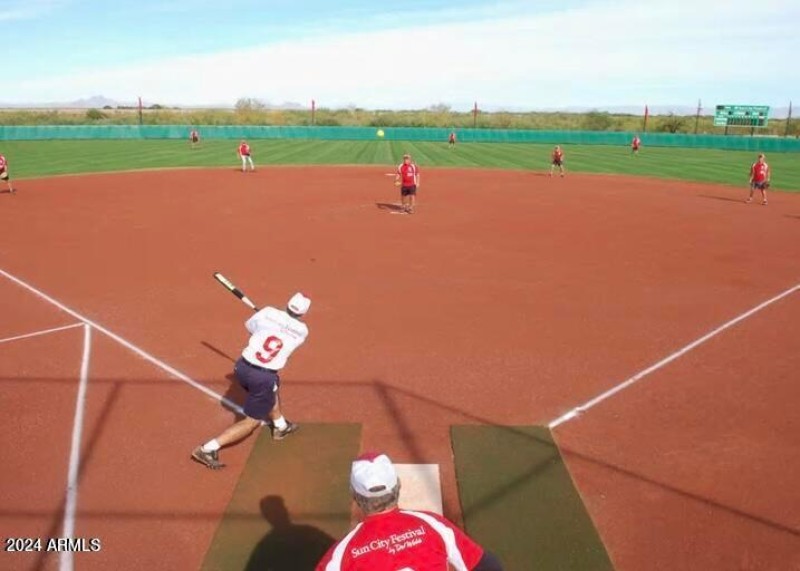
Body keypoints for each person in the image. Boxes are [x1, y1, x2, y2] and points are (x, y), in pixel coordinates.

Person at [316, 452, 504, 570]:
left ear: (354, 495)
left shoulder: (341, 555)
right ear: (398, 486)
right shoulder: (432, 524)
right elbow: (488, 566)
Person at [191, 292, 311, 470]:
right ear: (303, 313)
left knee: (273, 386)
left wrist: (265, 320)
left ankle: (280, 425)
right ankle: (207, 449)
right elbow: (283, 335)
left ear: (288, 304)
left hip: (242, 368)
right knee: (252, 421)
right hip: (262, 377)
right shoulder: (302, 331)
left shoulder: (268, 312)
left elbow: (250, 327)